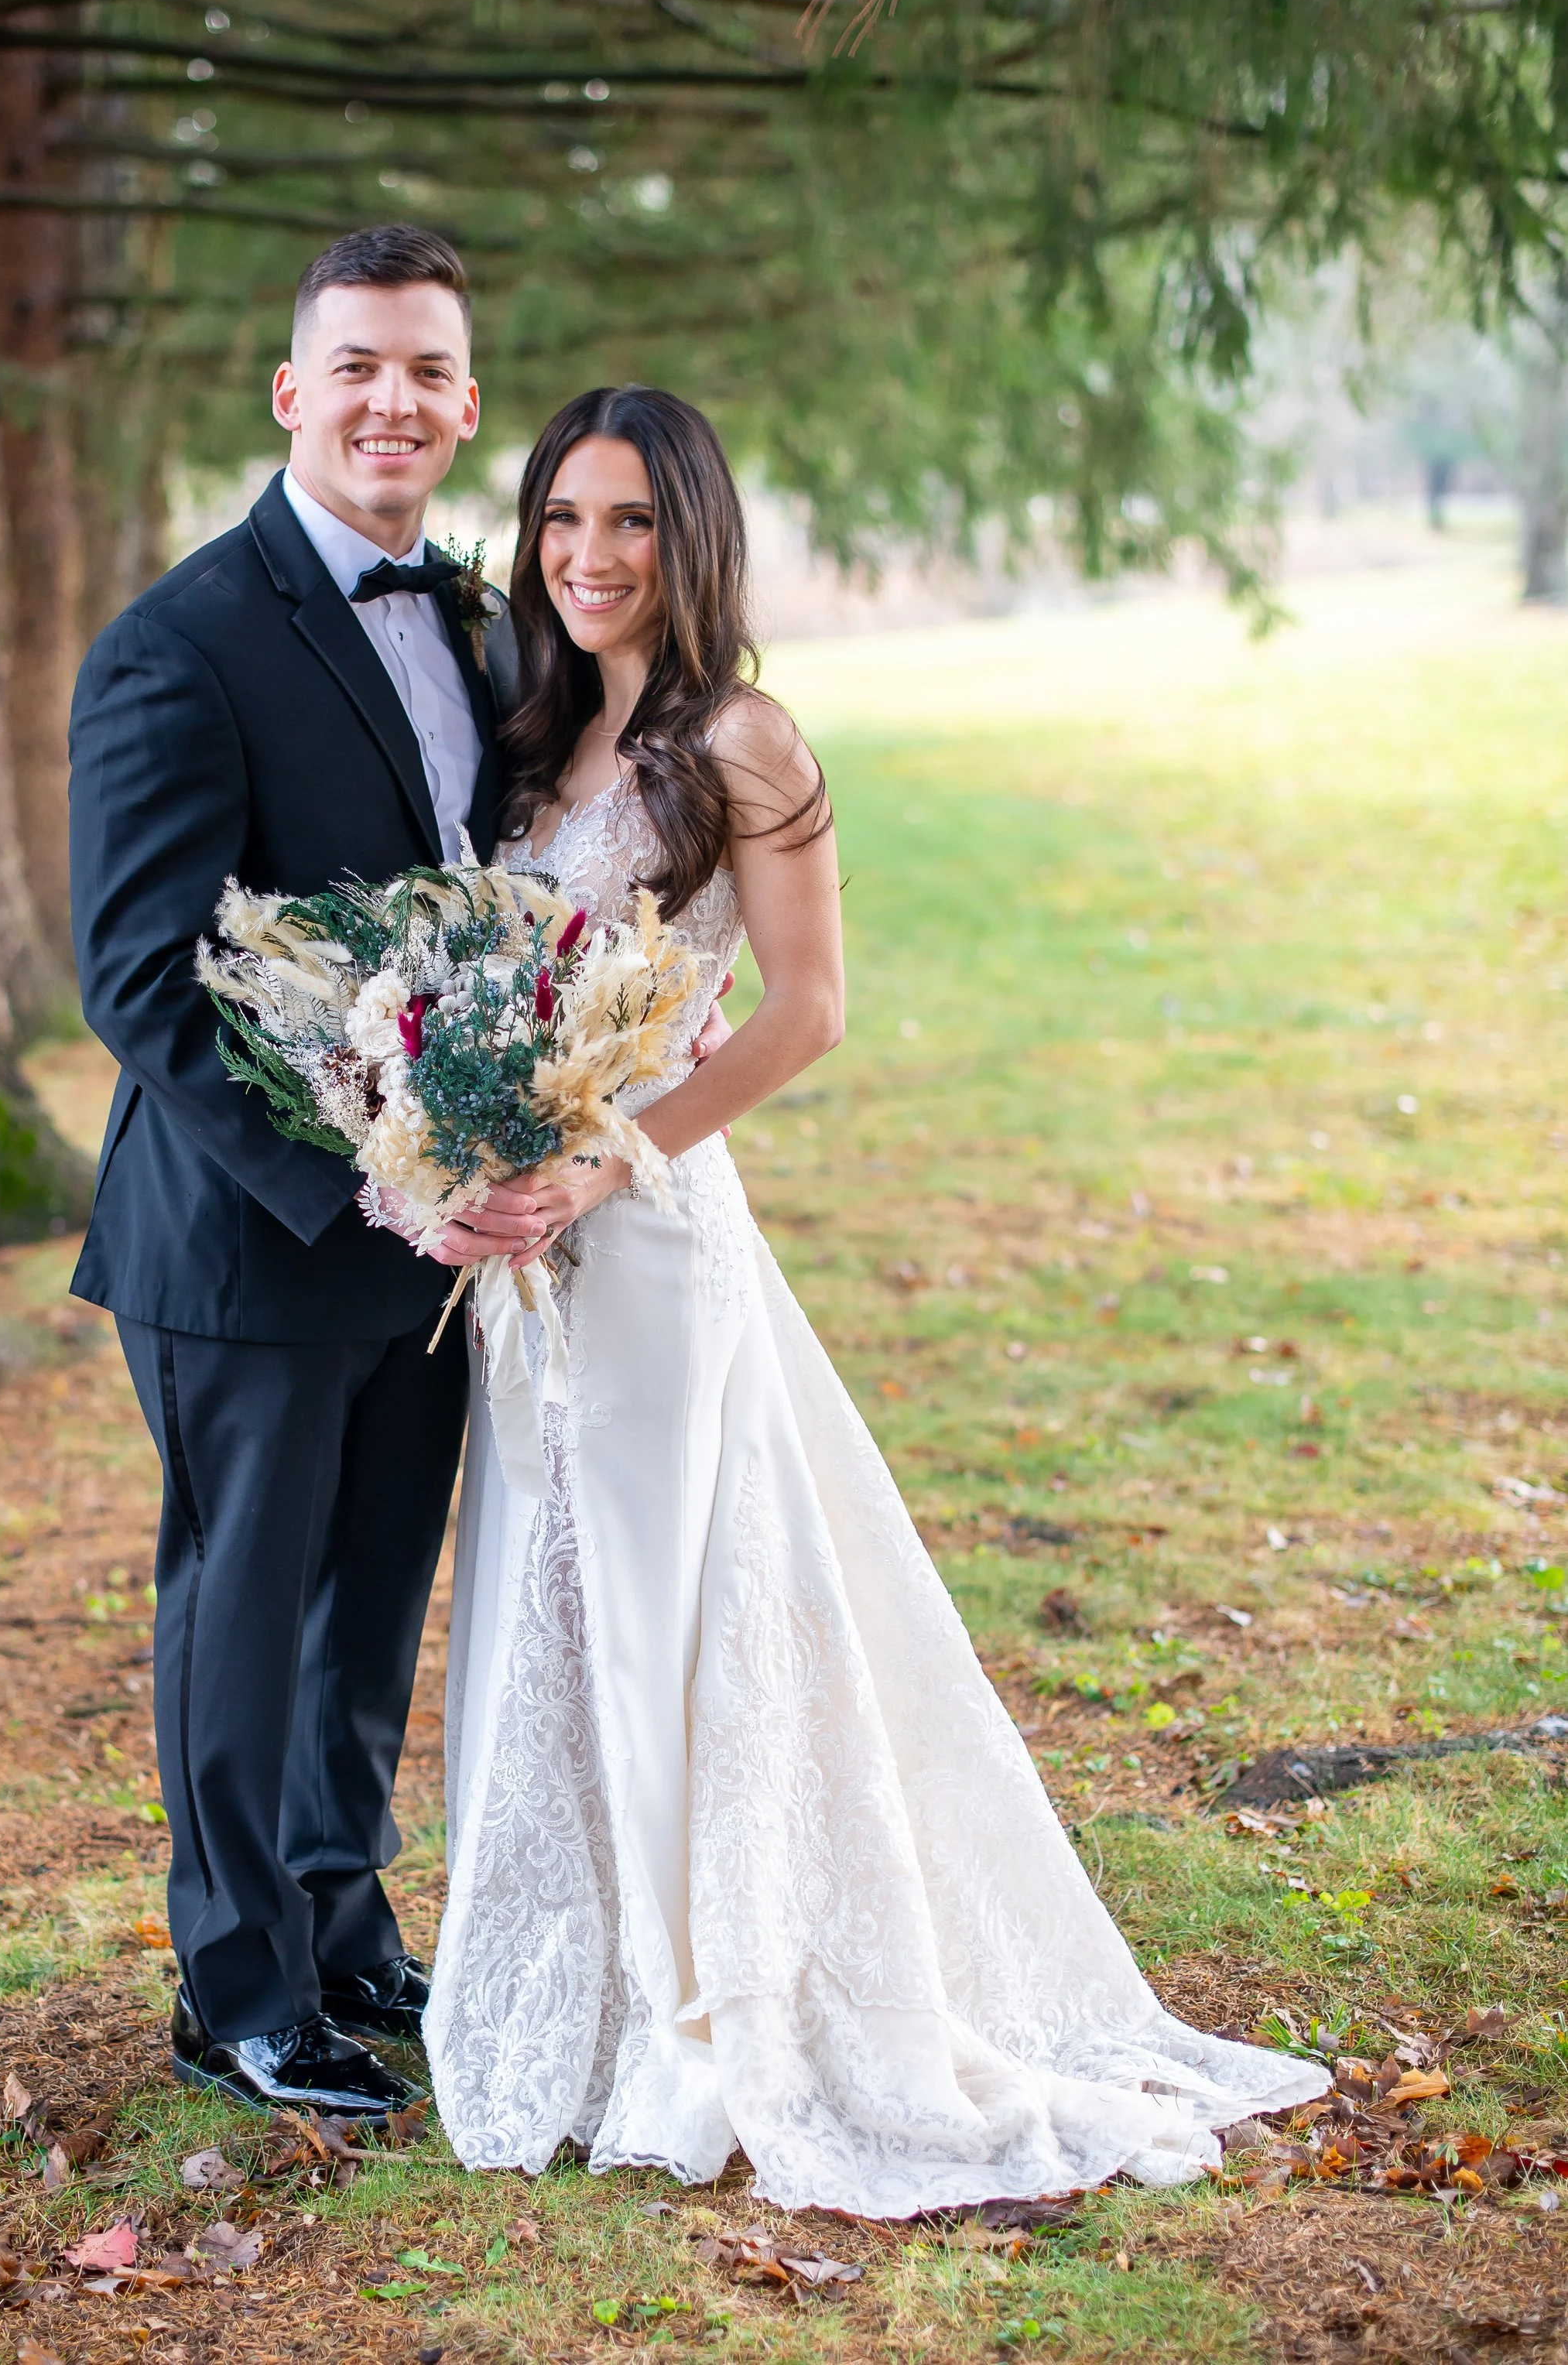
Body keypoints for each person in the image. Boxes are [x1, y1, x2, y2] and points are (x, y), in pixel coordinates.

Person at [423, 385, 1327, 2213]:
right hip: (530, 1251)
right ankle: (579, 1972)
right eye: (560, 522)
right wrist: (462, 1150)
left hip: (655, 1232)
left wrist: (605, 1159)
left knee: (675, 1587)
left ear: (693, 539)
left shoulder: (743, 740)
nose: (587, 560)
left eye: (630, 526)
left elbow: (802, 1011)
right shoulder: (526, 746)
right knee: (551, 1584)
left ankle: (705, 1998)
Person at [68, 225, 546, 2120]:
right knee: (242, 1611)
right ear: (290, 391)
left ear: (464, 403)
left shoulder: (493, 626)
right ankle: (238, 1985)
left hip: (432, 1252)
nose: (392, 401)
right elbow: (139, 977)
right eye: (356, 364)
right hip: (250, 1239)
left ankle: (344, 1925)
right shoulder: (178, 642)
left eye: (426, 369)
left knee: (369, 1603)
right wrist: (360, 1178)